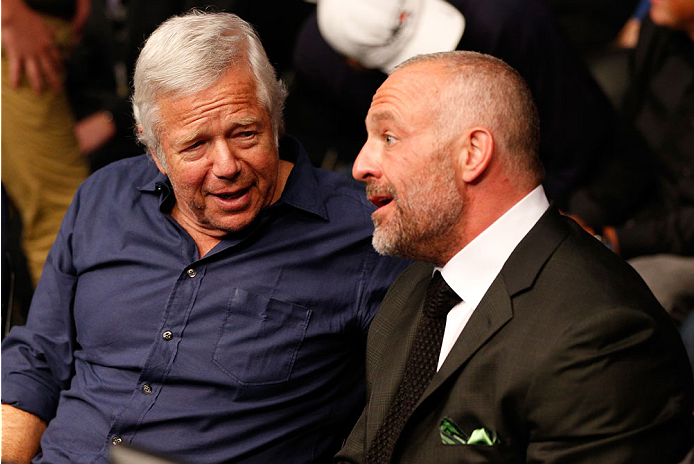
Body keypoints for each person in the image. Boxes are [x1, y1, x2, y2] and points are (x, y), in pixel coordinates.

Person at [0, 11, 409, 463]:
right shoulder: (105, 197)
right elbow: (38, 358)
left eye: (246, 133)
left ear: (276, 117)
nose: (227, 165)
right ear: (153, 149)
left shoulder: (366, 233)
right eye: (195, 145)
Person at [335, 51, 693, 463]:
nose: (361, 165)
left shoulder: (603, 334)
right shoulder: (416, 286)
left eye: (389, 138)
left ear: (472, 153)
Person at [290, 0, 647, 206]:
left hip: (559, 177)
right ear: (353, 63)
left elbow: (578, 130)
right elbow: (353, 149)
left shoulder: (510, 22)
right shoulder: (319, 62)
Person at [1, 0, 91, 287]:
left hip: (31, 41)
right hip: (17, 44)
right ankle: (65, 331)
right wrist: (8, 11)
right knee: (62, 218)